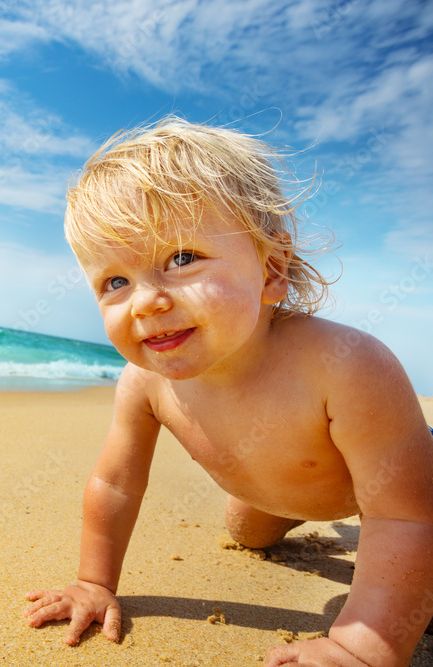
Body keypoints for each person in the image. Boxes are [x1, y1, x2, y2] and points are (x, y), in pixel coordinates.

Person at [22, 116, 433, 666]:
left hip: (408, 483)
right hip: (292, 487)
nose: (145, 301)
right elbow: (115, 483)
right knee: (247, 530)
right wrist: (94, 582)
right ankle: (295, 505)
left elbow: (405, 515)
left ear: (271, 269)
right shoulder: (146, 382)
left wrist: (360, 647)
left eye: (182, 259)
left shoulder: (346, 366)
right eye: (115, 281)